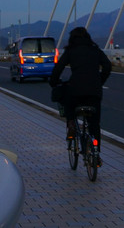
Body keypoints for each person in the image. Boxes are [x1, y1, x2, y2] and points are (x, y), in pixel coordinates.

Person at [50, 27, 112, 163]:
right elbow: (107, 66)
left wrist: (53, 82)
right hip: (94, 92)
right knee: (94, 123)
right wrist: (100, 81)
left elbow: (58, 68)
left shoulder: (70, 51)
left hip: (76, 90)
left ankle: (71, 123)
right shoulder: (95, 50)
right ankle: (95, 154)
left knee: (68, 101)